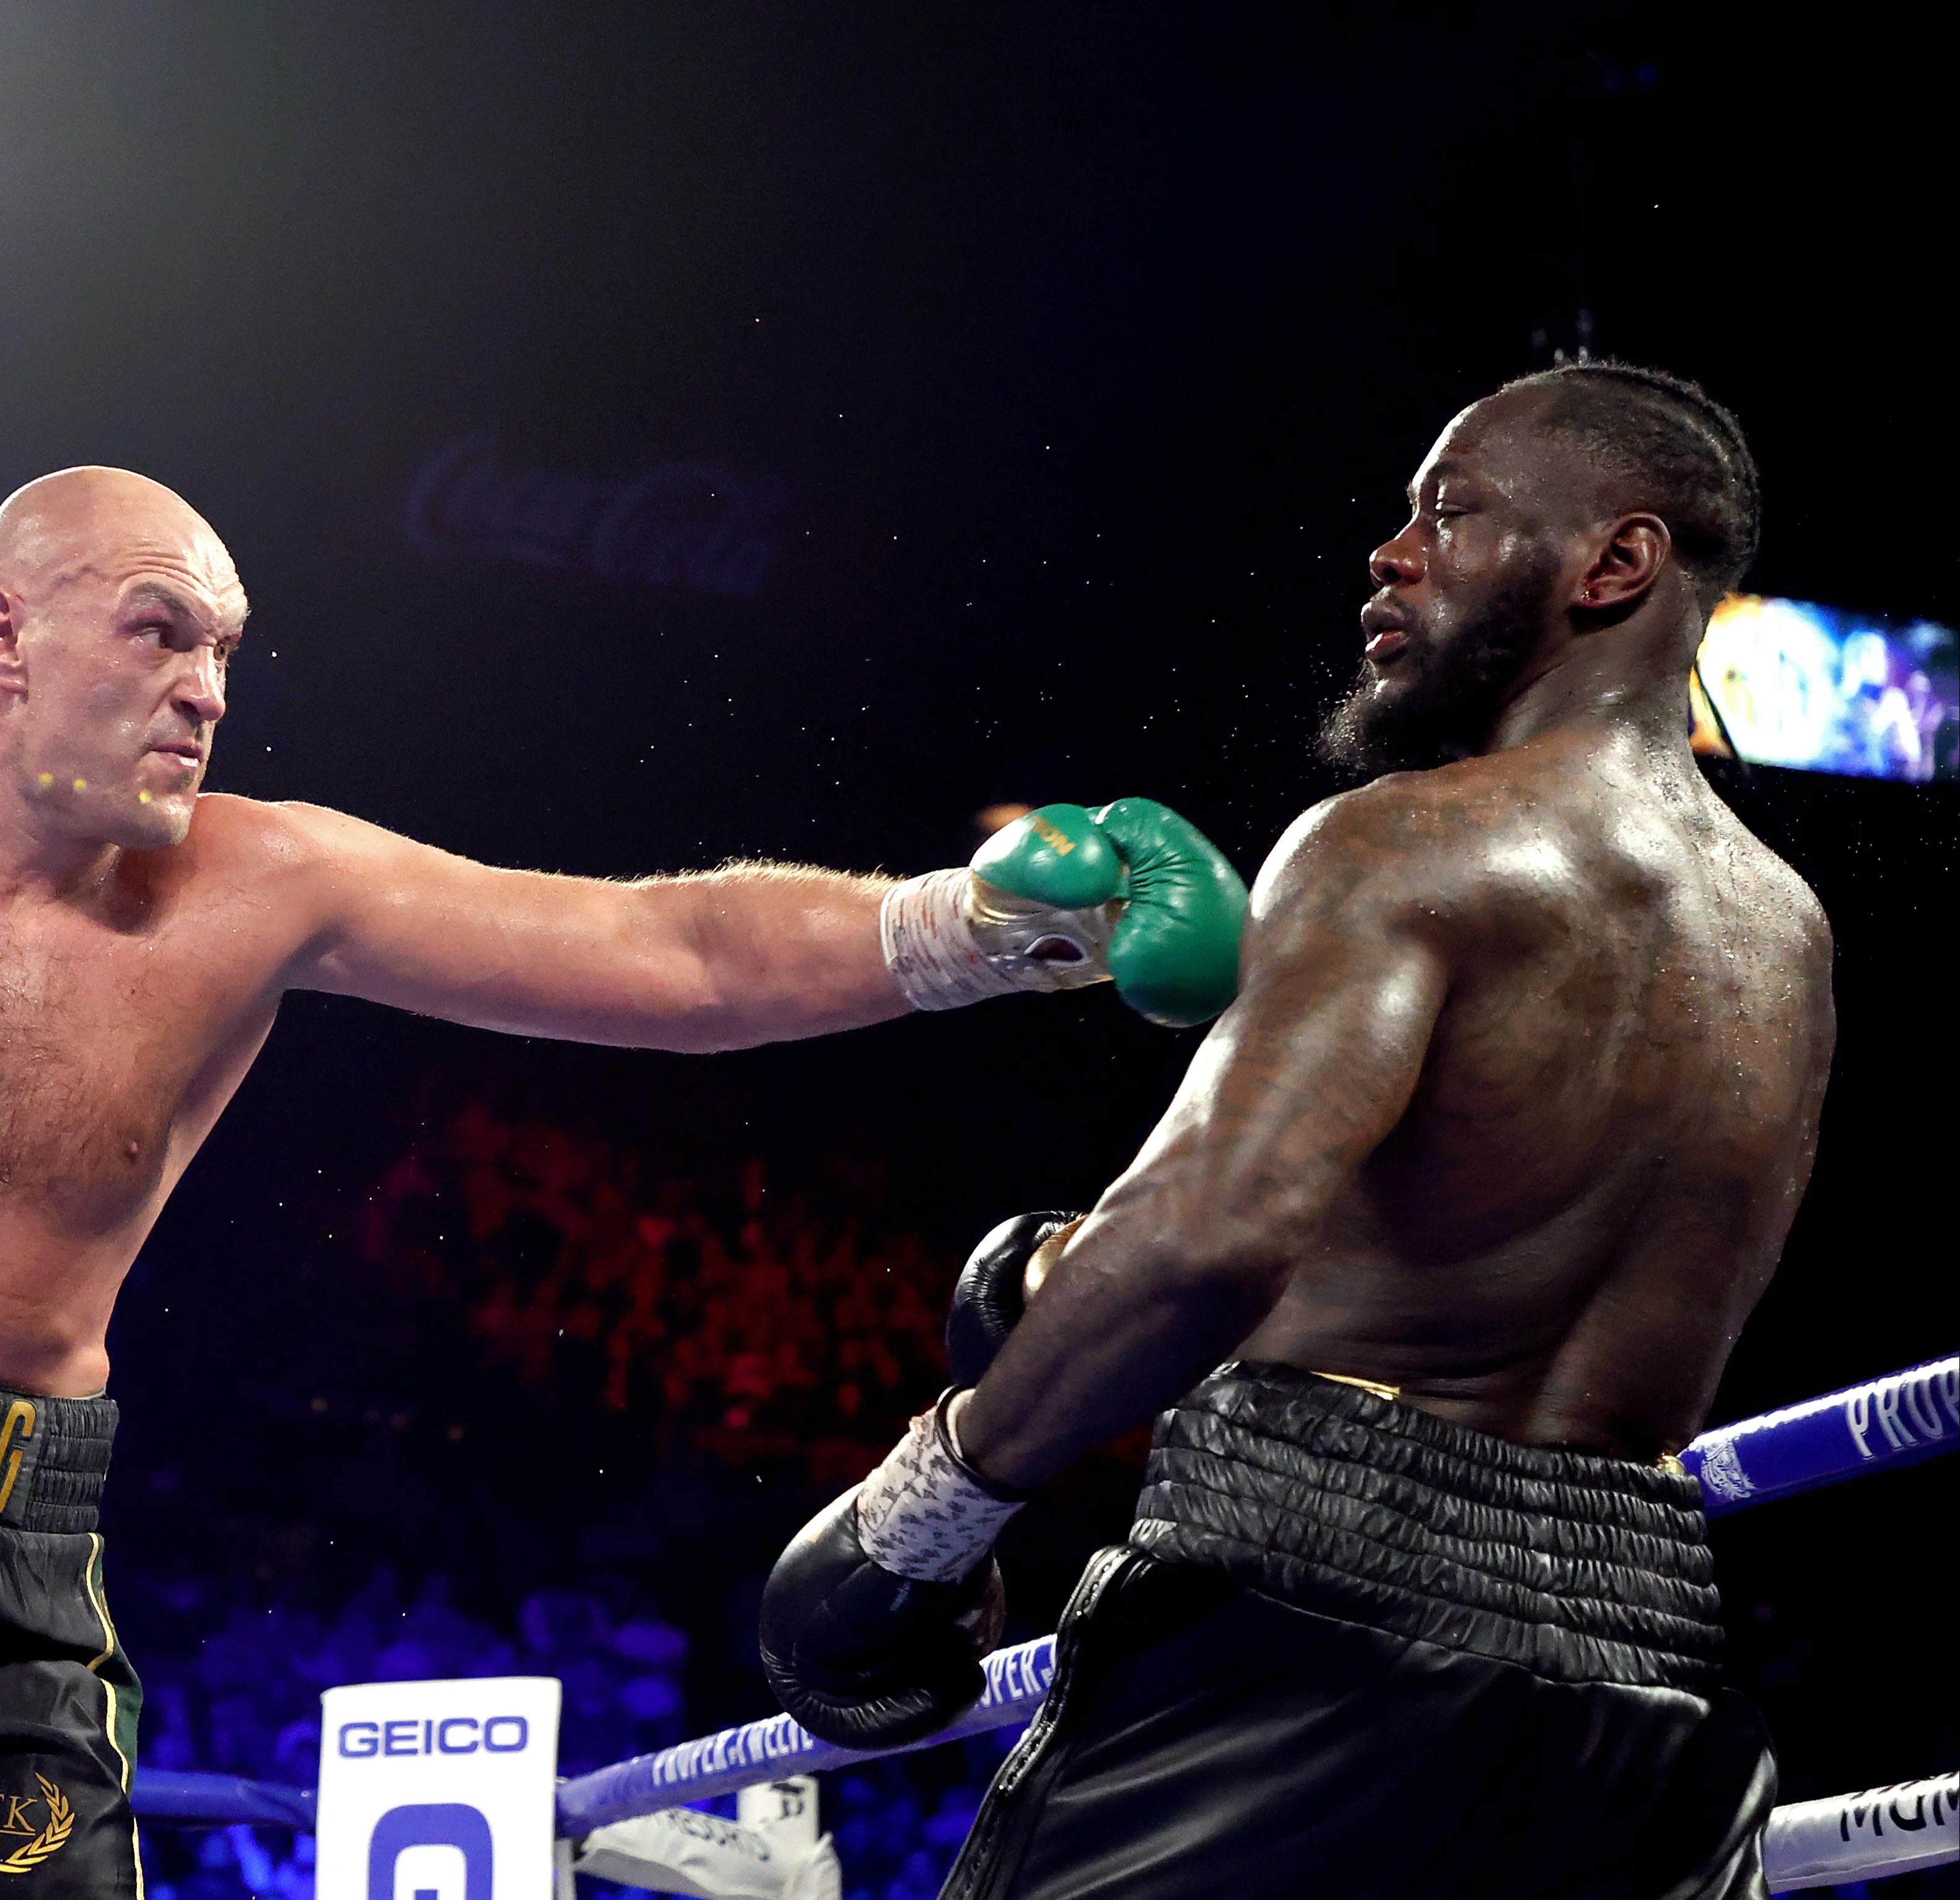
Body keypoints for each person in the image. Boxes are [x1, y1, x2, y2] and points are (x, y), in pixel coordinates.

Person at [0, 465, 1246, 1899]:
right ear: (1, 637)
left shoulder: (260, 882)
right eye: (158, 630)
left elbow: (663, 951)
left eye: (223, 650)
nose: (204, 687)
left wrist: (974, 926)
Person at [758, 362, 1834, 1900]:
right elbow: (1471, 1252)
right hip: (1645, 1716)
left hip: (1306, 1651)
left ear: (1614, 564)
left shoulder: (1396, 843)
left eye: (1450, 513)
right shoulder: (1780, 935)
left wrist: (920, 1515)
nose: (1390, 555)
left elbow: (1206, 1240)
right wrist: (1058, 1273)